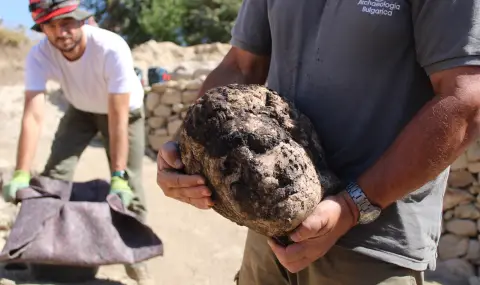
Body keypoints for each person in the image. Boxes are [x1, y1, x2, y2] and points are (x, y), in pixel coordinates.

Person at [156, 1, 480, 284]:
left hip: (371, 245)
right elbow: (241, 64)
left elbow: (465, 98)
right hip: (271, 231)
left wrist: (353, 207)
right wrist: (187, 147)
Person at [2, 1, 153, 284]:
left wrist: (118, 176)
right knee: (51, 179)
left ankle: (136, 258)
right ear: (42, 28)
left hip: (123, 113)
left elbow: (118, 117)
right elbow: (33, 115)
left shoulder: (111, 47)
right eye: (51, 25)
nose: (61, 33)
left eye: (66, 22)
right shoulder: (39, 55)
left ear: (82, 20)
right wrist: (21, 172)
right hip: (81, 110)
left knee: (129, 185)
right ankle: (31, 254)